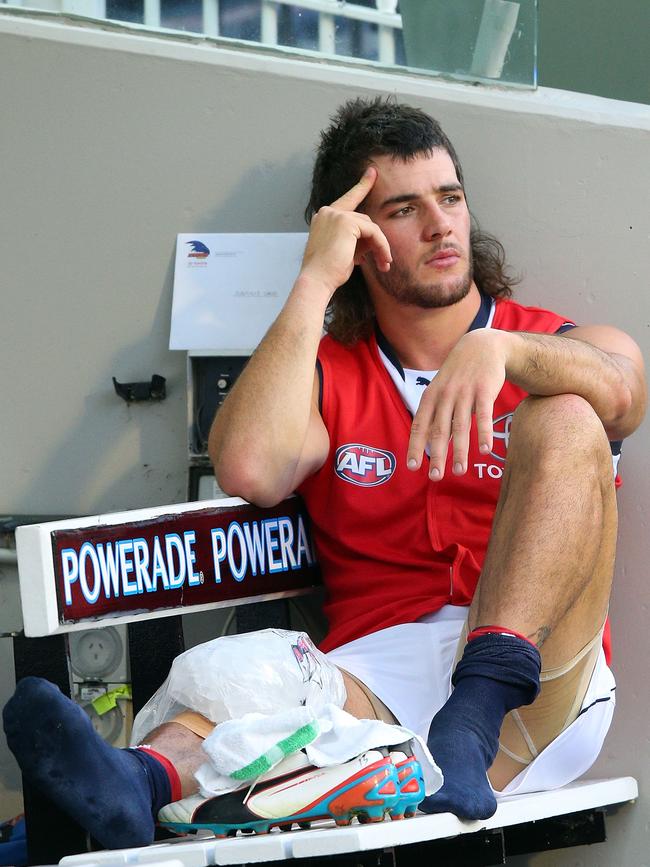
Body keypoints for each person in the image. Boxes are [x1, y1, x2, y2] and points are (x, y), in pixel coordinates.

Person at [3, 97, 646, 851]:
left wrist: (503, 352)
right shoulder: (332, 375)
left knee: (564, 414)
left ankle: (474, 711)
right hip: (381, 681)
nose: (442, 225)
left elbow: (624, 391)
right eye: (405, 209)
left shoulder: (552, 343)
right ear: (362, 238)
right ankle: (134, 785)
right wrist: (313, 280)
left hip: (538, 682)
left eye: (451, 197)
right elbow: (249, 464)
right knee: (245, 669)